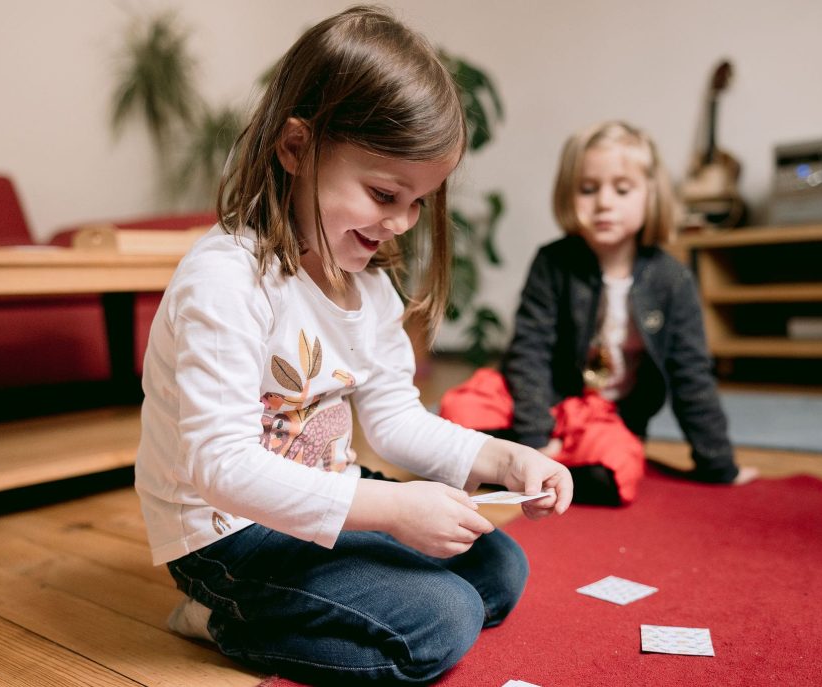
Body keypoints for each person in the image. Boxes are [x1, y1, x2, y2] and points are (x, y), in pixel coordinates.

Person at [134, 7, 573, 685]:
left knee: (498, 567)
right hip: (226, 532)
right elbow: (218, 465)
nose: (400, 223)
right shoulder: (225, 280)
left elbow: (394, 419)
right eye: (384, 193)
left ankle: (312, 600)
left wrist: (501, 455)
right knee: (441, 621)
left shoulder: (367, 288)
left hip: (323, 497)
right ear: (296, 148)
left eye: (419, 202)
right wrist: (394, 511)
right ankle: (221, 615)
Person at [440, 120, 756, 506]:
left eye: (622, 190)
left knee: (616, 466)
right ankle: (533, 464)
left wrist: (718, 463)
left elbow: (691, 374)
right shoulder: (552, 263)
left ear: (650, 196)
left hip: (605, 419)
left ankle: (522, 469)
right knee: (460, 408)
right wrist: (536, 438)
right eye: (589, 189)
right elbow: (529, 352)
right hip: (543, 405)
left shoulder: (673, 280)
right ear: (569, 195)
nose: (604, 202)